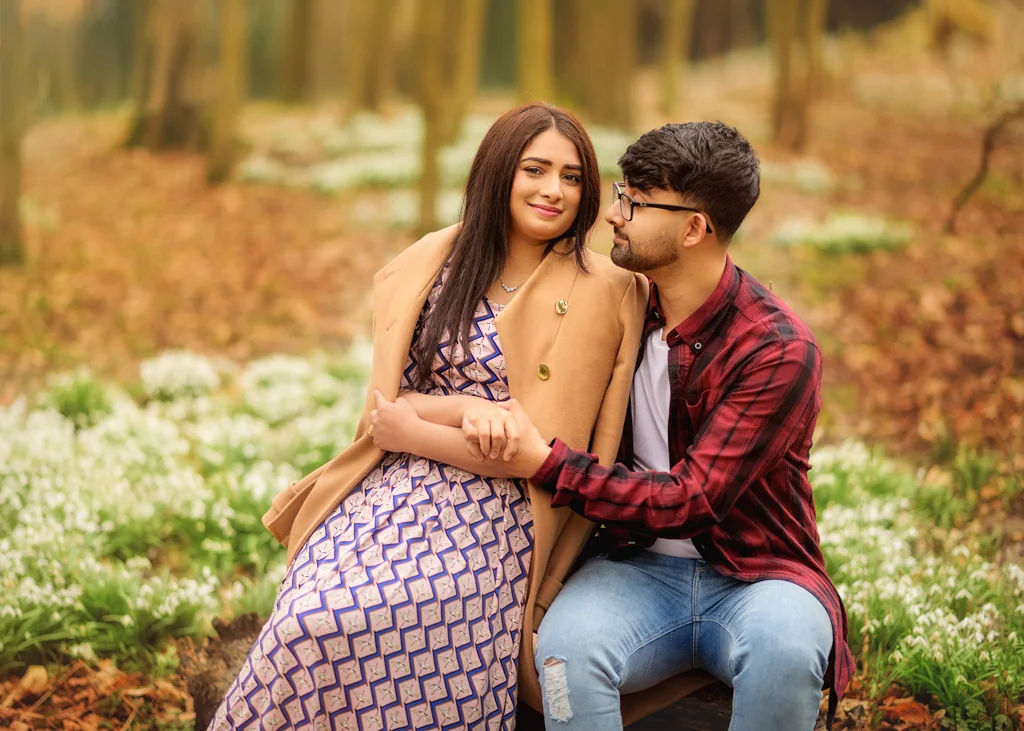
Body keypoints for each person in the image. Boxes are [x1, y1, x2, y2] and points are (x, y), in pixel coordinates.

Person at [208, 103, 648, 731]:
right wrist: (465, 409)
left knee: (412, 612)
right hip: (391, 490)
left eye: (574, 177)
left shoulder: (607, 291)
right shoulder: (437, 262)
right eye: (536, 169)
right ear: (499, 172)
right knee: (308, 618)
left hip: (504, 512)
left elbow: (543, 448)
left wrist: (418, 427)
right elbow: (390, 409)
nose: (555, 191)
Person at [479, 121, 854, 731]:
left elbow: (694, 499)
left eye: (633, 202)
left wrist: (546, 464)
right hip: (634, 568)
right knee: (560, 660)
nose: (613, 217)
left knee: (787, 652)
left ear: (694, 228)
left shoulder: (776, 349)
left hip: (756, 574)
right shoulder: (616, 310)